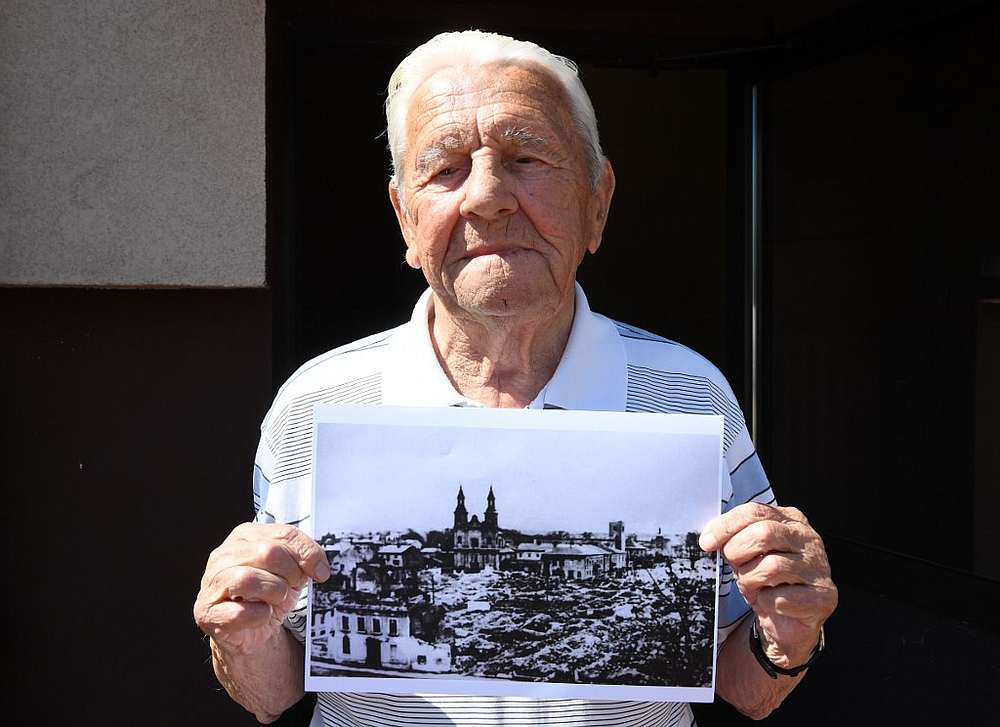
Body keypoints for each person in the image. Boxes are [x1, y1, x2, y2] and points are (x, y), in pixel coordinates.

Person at [193, 30, 837, 727]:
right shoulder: (312, 404)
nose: (487, 197)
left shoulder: (691, 395)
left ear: (599, 200)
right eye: (443, 170)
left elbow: (746, 681)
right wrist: (241, 632)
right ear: (405, 218)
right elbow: (274, 690)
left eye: (526, 157)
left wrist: (789, 632)